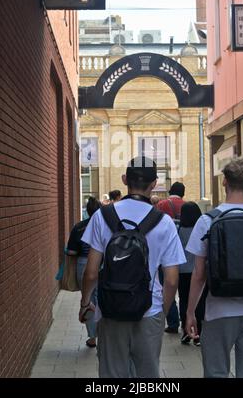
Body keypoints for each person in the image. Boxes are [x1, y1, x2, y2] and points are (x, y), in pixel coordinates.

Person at [79, 156, 186, 378]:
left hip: (110, 309)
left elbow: (90, 273)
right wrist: (162, 313)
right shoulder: (163, 222)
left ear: (125, 179)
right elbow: (172, 280)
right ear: (154, 183)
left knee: (112, 374)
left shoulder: (102, 216)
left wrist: (85, 303)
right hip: (149, 310)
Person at [186, 158, 243, 378]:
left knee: (215, 372)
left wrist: (190, 312)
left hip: (217, 310)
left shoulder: (207, 221)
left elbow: (199, 275)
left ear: (224, 182)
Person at [66, 196, 101, 348]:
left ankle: (92, 337)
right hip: (102, 264)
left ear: (87, 211)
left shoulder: (79, 227)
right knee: (102, 297)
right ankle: (105, 334)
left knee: (88, 299)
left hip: (83, 264)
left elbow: (72, 251)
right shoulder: (105, 226)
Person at [157, 182, 186, 334]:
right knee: (185, 290)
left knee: (167, 286)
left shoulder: (162, 204)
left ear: (170, 191)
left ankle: (173, 322)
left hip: (167, 254)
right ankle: (186, 320)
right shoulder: (188, 205)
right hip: (187, 253)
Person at [178, 202, 207, 346]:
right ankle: (199, 332)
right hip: (199, 270)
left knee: (184, 299)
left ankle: (186, 330)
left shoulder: (179, 229)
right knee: (200, 301)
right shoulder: (201, 227)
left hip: (182, 271)